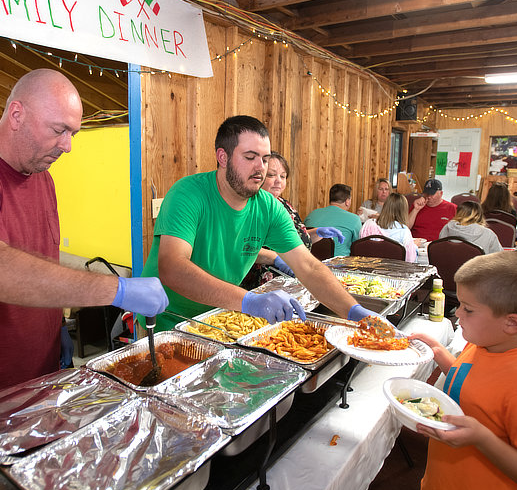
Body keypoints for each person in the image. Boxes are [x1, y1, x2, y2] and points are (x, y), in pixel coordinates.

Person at [0, 70, 169, 490]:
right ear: (16, 114)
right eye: (59, 130)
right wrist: (114, 289)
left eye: (74, 133)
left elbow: (37, 261)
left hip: (33, 385)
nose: (67, 146)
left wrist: (54, 327)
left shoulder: (40, 177)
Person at [141, 115, 378, 331]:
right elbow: (172, 268)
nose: (260, 168)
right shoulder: (188, 194)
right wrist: (249, 300)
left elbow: (309, 267)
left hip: (216, 318)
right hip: (164, 320)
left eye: (265, 159)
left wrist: (355, 312)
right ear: (222, 157)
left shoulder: (268, 206)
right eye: (250, 157)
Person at [410, 251, 517, 490]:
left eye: (468, 308)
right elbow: (472, 383)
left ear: (512, 323)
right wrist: (440, 354)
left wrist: (482, 439)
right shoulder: (482, 343)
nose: (457, 312)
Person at [246, 152, 344, 284]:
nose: (278, 181)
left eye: (283, 176)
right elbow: (243, 245)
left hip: (293, 279)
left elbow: (290, 238)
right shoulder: (251, 206)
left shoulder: (285, 205)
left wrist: (315, 233)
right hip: (263, 283)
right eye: (271, 175)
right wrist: (275, 258)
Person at [304, 184, 363, 256]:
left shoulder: (312, 214)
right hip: (340, 265)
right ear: (347, 201)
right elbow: (358, 246)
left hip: (309, 263)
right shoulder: (355, 219)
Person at [359, 192, 418, 261]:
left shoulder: (368, 225)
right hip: (394, 270)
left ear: (385, 206)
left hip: (368, 268)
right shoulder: (404, 232)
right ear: (403, 211)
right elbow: (410, 260)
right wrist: (414, 246)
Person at [438, 201, 503, 254]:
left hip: (448, 268)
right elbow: (499, 257)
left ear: (458, 213)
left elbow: (439, 251)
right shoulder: (488, 234)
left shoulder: (446, 228)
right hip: (476, 269)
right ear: (478, 216)